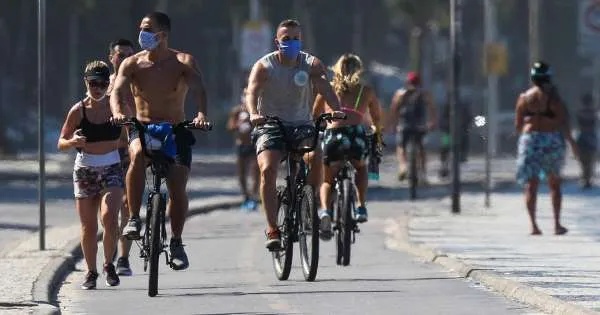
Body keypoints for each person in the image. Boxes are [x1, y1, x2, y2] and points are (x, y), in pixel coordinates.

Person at [111, 12, 209, 270]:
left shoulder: (183, 61)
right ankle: (133, 218)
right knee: (137, 154)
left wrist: (201, 115)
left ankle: (176, 241)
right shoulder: (132, 63)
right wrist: (119, 113)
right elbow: (118, 91)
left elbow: (199, 89)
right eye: (141, 28)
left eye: (147, 29)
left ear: (162, 35)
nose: (142, 33)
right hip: (142, 126)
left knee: (177, 186)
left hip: (175, 129)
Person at [245, 19, 342, 250]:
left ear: (301, 40)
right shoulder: (264, 66)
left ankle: (309, 201)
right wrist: (253, 113)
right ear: (276, 41)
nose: (291, 42)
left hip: (301, 124)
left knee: (316, 154)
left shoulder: (310, 64)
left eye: (296, 38)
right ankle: (272, 229)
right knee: (268, 169)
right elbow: (252, 91)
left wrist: (336, 108)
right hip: (270, 124)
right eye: (286, 39)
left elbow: (324, 87)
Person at [57, 61, 123, 289]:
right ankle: (91, 271)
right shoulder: (78, 110)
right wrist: (73, 141)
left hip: (111, 167)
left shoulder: (117, 108)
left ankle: (108, 264)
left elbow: (132, 131)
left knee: (110, 218)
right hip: (85, 170)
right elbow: (61, 142)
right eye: (93, 83)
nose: (98, 88)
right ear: (86, 82)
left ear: (108, 85)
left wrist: (124, 133)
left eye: (103, 84)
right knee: (88, 227)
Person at [312, 53, 382, 240]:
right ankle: (360, 207)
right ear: (358, 70)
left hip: (333, 136)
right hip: (355, 137)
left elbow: (315, 115)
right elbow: (377, 117)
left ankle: (325, 211)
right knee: (361, 168)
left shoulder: (328, 90)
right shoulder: (366, 90)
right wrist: (377, 130)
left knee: (327, 181)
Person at [515, 61, 578, 235]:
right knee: (554, 183)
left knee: (531, 184)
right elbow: (563, 122)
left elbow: (518, 125)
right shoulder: (554, 99)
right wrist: (572, 144)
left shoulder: (524, 98)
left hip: (530, 140)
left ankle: (533, 225)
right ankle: (557, 224)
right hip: (550, 141)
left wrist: (532, 125)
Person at [107, 38, 135, 276]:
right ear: (111, 58)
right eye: (120, 54)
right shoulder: (101, 85)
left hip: (128, 151)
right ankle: (110, 247)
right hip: (106, 151)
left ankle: (124, 257)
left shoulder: (138, 83)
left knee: (127, 204)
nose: (124, 58)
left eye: (129, 54)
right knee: (109, 207)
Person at [388, 72, 437, 183]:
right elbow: (432, 108)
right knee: (421, 149)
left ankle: (403, 167)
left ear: (407, 82)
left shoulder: (400, 93)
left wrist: (393, 124)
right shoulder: (425, 94)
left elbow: (393, 110)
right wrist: (432, 122)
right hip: (420, 125)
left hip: (404, 124)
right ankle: (423, 174)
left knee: (401, 147)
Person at [227, 88, 259, 210]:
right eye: (245, 95)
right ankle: (246, 197)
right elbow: (229, 127)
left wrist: (251, 122)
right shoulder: (237, 111)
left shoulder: (257, 110)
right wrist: (239, 124)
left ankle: (254, 197)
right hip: (241, 144)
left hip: (254, 144)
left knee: (255, 172)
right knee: (242, 174)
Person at [575, 93, 597, 188]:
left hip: (583, 137)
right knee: (589, 160)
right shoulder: (593, 113)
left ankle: (586, 178)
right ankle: (587, 179)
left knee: (584, 160)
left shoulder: (580, 112)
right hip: (590, 137)